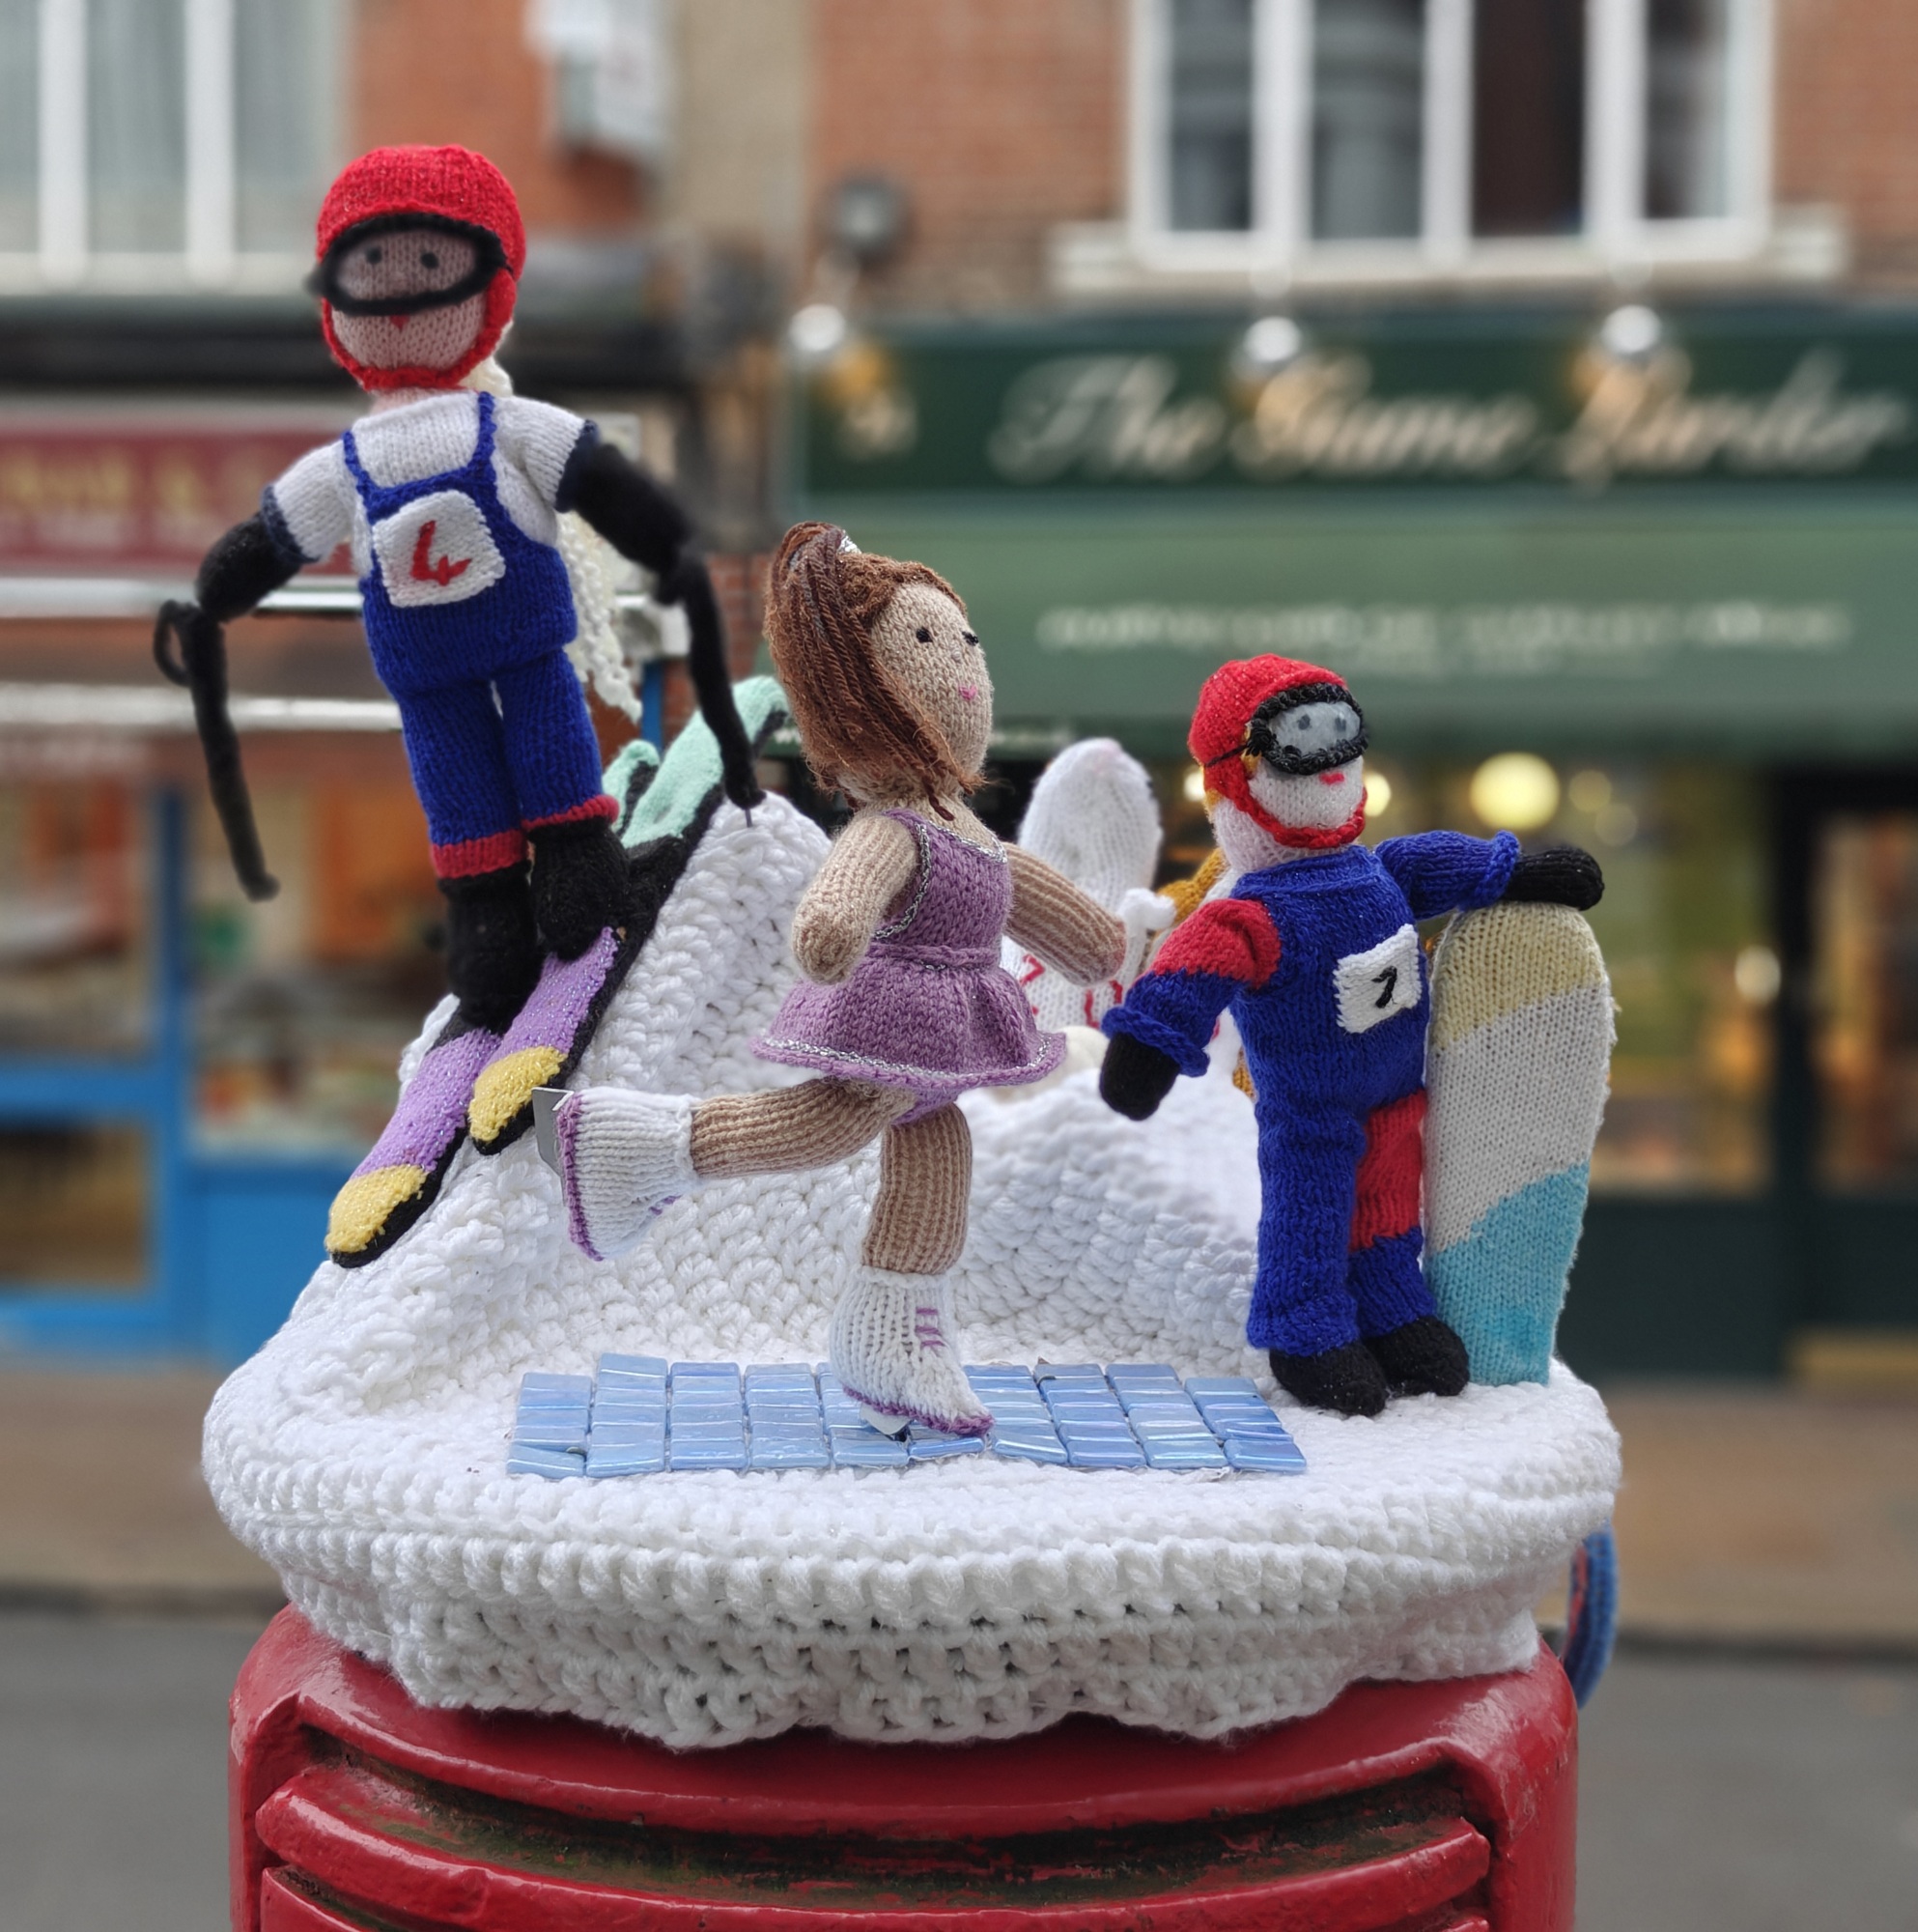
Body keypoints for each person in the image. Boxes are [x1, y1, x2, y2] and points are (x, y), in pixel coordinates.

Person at [541, 524, 1126, 1435]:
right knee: (836, 1120)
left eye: (964, 641)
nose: (964, 666)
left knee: (939, 1151)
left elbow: (1042, 905)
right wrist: (835, 926)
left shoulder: (970, 831)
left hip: (951, 1024)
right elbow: (843, 893)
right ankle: (636, 1145)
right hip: (897, 1009)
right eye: (928, 642)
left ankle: (895, 1337)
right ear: (858, 694)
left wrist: (1101, 943)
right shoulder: (896, 825)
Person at [157, 144, 757, 1031]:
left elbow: (594, 481)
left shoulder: (490, 429)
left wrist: (660, 537)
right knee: (467, 779)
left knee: (520, 751)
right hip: (447, 668)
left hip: (500, 650)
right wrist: (219, 591)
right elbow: (275, 536)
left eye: (434, 264)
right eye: (372, 267)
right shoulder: (375, 456)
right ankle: (504, 913)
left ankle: (550, 883)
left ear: (492, 287)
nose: (400, 293)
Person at [1098, 655, 1603, 1417]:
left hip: (1396, 1095)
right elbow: (1193, 967)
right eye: (1301, 741)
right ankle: (1303, 1329)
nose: (1330, 761)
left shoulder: (1380, 875)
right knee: (1311, 1210)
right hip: (1311, 1111)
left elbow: (1435, 863)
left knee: (1390, 1204)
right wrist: (1149, 1043)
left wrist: (1515, 872)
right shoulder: (1254, 914)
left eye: (1343, 732)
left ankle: (1392, 1306)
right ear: (1238, 777)